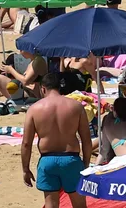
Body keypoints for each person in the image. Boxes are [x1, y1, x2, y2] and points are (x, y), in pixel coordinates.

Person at [21, 73, 92, 208]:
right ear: (59, 87)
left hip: (47, 161)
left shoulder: (34, 109)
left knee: (51, 204)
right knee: (79, 204)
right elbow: (86, 141)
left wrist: (25, 169)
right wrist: (86, 164)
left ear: (43, 89)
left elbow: (26, 143)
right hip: (71, 159)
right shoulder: (76, 106)